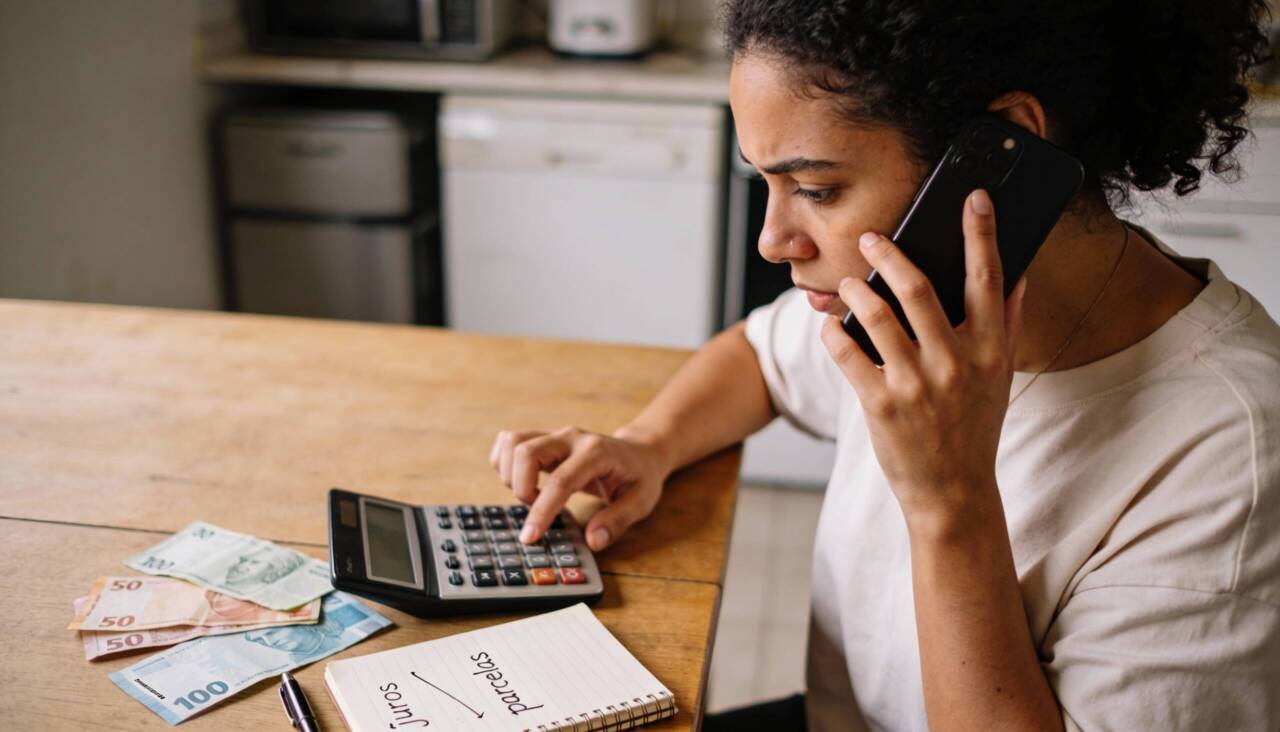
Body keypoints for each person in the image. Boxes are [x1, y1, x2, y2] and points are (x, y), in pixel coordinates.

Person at [490, 1, 1280, 729]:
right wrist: (648, 444)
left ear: (1001, 152)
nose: (772, 240)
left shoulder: (1232, 462)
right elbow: (759, 357)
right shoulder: (905, 310)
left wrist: (950, 502)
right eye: (767, 183)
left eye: (816, 188)